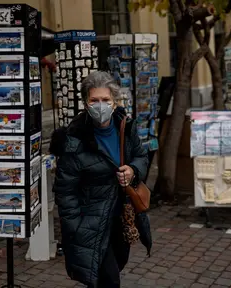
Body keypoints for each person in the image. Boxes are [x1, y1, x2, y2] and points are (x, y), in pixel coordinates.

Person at [50, 71, 149, 288]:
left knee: (115, 267)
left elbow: (142, 157)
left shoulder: (126, 128)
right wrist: (76, 228)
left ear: (114, 103)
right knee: (109, 280)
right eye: (95, 100)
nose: (100, 105)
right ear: (86, 103)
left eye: (106, 100)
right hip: (91, 222)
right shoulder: (74, 139)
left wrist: (133, 170)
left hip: (121, 217)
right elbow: (65, 191)